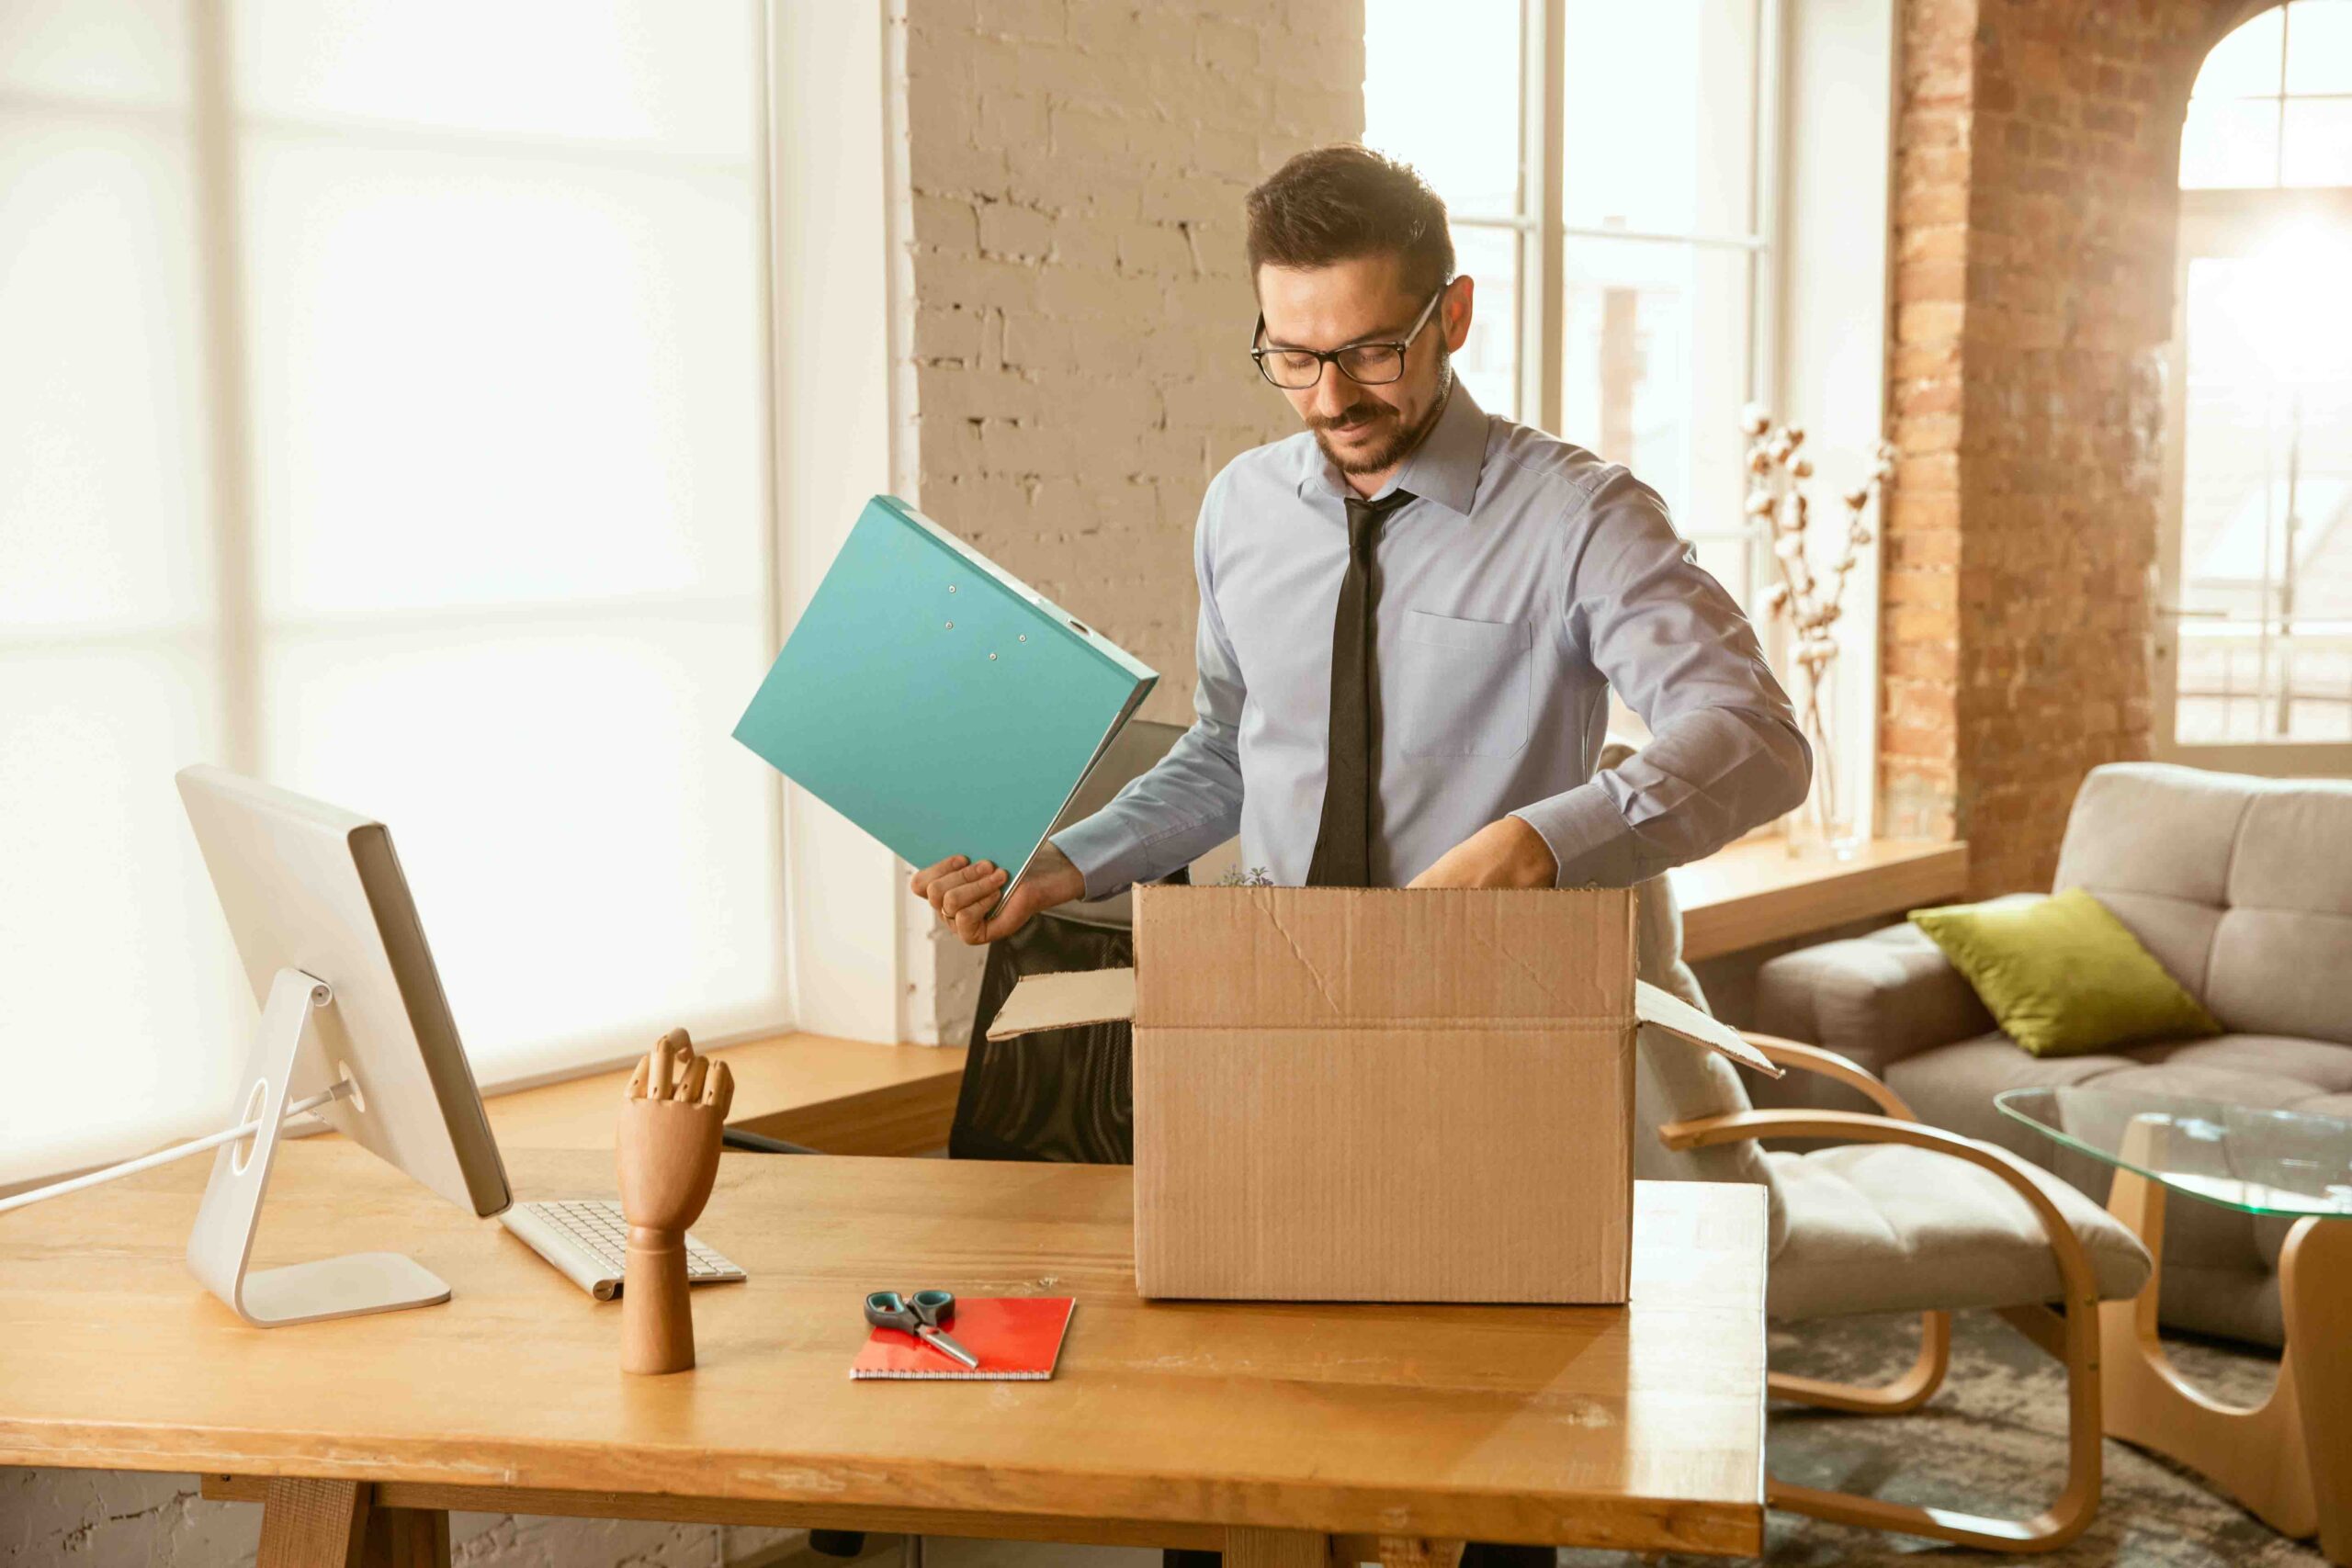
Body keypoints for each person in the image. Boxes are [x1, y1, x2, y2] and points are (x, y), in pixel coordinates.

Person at [914, 143, 1809, 938]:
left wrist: (1538, 842)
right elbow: (1233, 750)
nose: (1331, 399)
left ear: (1452, 318)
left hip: (1501, 1006)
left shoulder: (1581, 518)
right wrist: (1068, 861)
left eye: (1372, 352)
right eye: (1294, 358)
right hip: (1280, 991)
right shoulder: (1240, 507)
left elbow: (1756, 738)